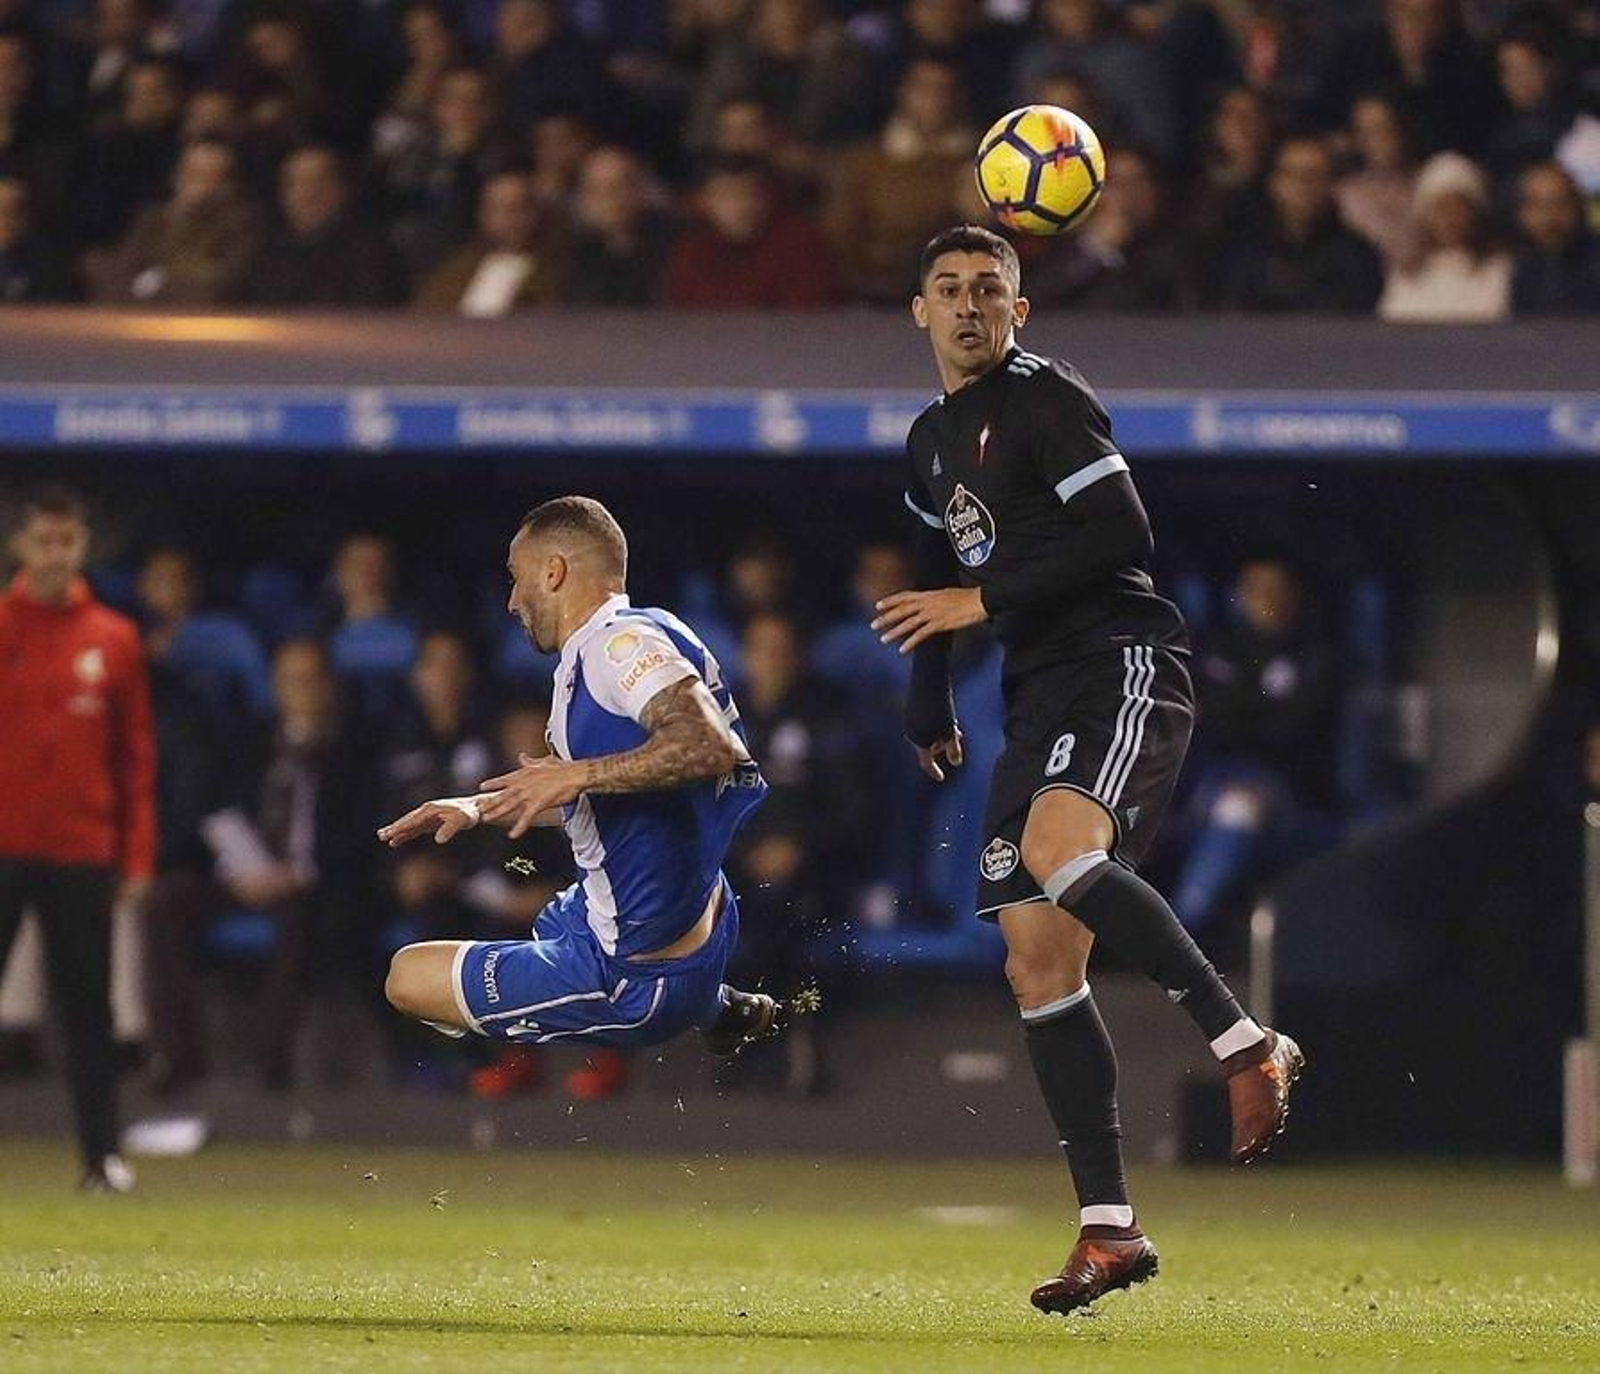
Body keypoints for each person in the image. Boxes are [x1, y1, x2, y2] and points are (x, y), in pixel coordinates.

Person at [874, 226, 1303, 1313]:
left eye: (990, 289)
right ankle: (1110, 1229)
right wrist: (928, 701)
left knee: (1065, 854)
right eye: (949, 290)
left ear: (1021, 310)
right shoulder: (929, 439)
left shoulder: (1043, 398)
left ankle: (1245, 1038)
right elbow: (939, 562)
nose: (970, 306)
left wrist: (981, 603)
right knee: (1035, 961)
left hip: (1120, 663)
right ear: (917, 311)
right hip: (1036, 694)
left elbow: (1119, 532)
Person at [379, 496, 784, 1061]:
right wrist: (479, 808)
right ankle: (719, 1008)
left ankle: (697, 1005)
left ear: (554, 572)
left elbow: (707, 746)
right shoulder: (651, 632)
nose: (512, 601)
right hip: (700, 920)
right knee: (551, 913)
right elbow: (616, 786)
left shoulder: (617, 648)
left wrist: (577, 774)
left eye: (517, 579)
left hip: (636, 978)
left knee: (407, 977)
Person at [0, 485, 155, 1191]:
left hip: (80, 852)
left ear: (82, 547)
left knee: (88, 1012)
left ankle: (101, 1158)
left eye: (68, 542)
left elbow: (135, 759)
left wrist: (137, 853)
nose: (57, 555)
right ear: (20, 547)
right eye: (44, 541)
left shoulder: (113, 638)